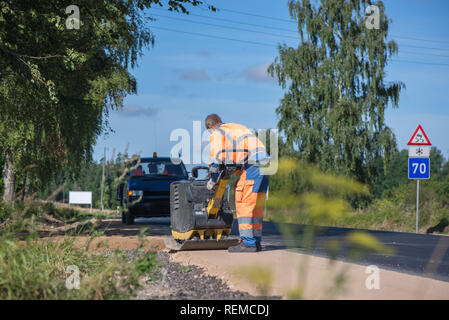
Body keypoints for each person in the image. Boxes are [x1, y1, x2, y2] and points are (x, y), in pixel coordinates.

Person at [205, 114, 270, 253]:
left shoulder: (218, 133)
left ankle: (248, 243)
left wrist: (213, 179)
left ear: (211, 126)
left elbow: (217, 158)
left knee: (243, 201)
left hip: (252, 164)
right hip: (265, 163)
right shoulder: (237, 128)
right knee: (256, 204)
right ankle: (256, 241)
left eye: (209, 131)